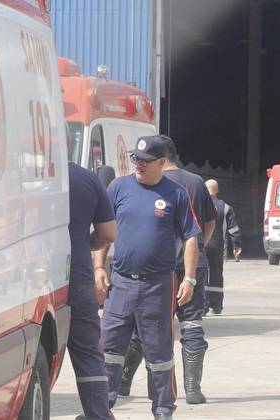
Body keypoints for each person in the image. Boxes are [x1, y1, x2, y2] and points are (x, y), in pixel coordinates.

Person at [94, 135, 201, 420]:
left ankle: (163, 408)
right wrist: (99, 267)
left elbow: (191, 237)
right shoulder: (119, 188)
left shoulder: (176, 194)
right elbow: (104, 230)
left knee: (158, 352)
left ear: (162, 163)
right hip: (120, 283)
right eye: (136, 159)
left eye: (145, 161)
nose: (138, 165)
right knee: (109, 346)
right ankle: (101, 407)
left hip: (158, 286)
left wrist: (189, 279)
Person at [118, 136, 216, 405]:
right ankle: (192, 389)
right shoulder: (195, 182)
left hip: (156, 268)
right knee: (192, 324)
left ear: (161, 159)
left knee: (145, 326)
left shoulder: (151, 183)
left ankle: (123, 382)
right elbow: (209, 223)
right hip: (191, 267)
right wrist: (196, 250)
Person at [67, 161, 118, 420]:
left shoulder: (20, 175)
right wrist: (81, 242)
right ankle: (99, 415)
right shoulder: (86, 178)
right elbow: (108, 234)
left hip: (26, 281)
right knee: (88, 353)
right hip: (76, 276)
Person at [203, 179, 241, 315]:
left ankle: (203, 306)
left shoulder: (198, 205)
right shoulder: (226, 207)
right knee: (216, 274)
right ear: (217, 190)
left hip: (201, 245)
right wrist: (237, 245)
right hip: (217, 246)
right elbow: (233, 229)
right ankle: (216, 306)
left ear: (204, 190)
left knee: (201, 274)